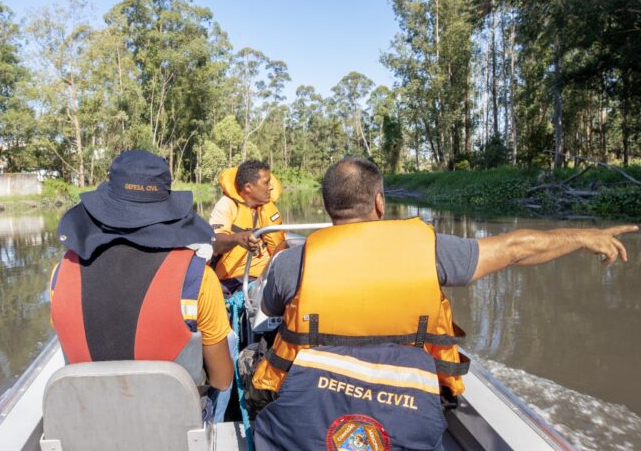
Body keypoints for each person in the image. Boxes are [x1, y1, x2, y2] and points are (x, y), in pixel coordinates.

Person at [247, 156, 637, 450]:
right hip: (412, 413)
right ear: (379, 203)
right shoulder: (430, 250)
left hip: (309, 413)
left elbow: (271, 309)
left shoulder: (291, 262)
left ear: (330, 207)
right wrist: (585, 236)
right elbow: (517, 248)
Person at [49, 150, 233, 420]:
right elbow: (222, 380)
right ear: (169, 213)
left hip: (90, 423)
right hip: (172, 428)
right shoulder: (198, 278)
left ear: (104, 208)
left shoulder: (61, 273)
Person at [209, 160, 285, 294]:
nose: (271, 187)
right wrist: (237, 238)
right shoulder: (227, 205)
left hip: (267, 277)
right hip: (234, 280)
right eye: (266, 182)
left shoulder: (267, 208)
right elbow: (216, 242)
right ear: (248, 187)